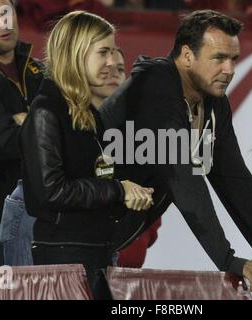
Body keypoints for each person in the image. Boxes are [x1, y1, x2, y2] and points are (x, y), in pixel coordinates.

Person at [101, 9, 252, 291]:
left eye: (233, 58)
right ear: (187, 56)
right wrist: (226, 258)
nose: (230, 69)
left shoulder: (212, 103)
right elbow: (183, 177)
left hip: (95, 236)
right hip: (46, 225)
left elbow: (236, 183)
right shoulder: (155, 86)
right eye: (219, 58)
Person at [18, 11, 155, 298]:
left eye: (114, 51)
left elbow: (103, 177)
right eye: (103, 52)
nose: (113, 61)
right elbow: (51, 191)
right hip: (62, 262)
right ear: (75, 53)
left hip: (99, 256)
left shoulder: (90, 116)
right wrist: (118, 190)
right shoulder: (46, 113)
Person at [91, 48, 162, 268]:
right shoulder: (66, 129)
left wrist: (142, 236)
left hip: (127, 274)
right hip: (79, 262)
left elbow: (155, 194)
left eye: (120, 69)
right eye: (105, 68)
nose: (113, 74)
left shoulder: (139, 139)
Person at [0, 0, 43, 265]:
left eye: (6, 12)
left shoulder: (41, 72)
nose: (3, 22)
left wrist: (26, 124)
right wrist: (43, 130)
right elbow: (4, 143)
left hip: (41, 221)